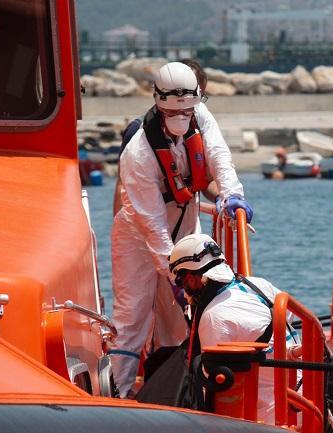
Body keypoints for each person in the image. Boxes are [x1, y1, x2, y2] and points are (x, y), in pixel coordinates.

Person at [110, 62, 253, 398]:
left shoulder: (200, 116)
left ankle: (180, 391)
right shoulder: (138, 155)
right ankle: (119, 395)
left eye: (186, 112)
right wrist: (176, 276)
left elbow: (218, 154)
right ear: (159, 105)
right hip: (137, 237)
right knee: (132, 317)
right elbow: (152, 226)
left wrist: (232, 194)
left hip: (186, 222)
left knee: (180, 321)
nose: (181, 120)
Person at [168, 233, 301, 424]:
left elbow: (214, 386)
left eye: (181, 282)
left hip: (272, 417)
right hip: (304, 396)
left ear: (190, 278)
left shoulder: (214, 317)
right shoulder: (259, 285)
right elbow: (290, 317)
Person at [113, 59, 223, 215]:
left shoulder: (200, 128)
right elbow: (122, 186)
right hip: (146, 226)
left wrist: (223, 198)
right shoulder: (138, 133)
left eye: (199, 97)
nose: (193, 105)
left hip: (187, 225)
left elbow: (206, 180)